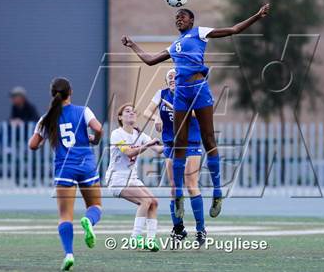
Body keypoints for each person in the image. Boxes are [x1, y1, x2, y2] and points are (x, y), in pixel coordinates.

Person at [121, 3, 270, 219]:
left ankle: (218, 192)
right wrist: (133, 45)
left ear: (191, 20)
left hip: (199, 89)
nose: (178, 19)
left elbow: (234, 29)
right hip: (181, 93)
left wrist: (257, 15)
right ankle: (179, 196)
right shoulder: (175, 45)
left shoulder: (200, 33)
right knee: (179, 142)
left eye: (182, 16)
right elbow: (150, 60)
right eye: (176, 17)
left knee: (209, 139)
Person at [28, 77, 103, 271]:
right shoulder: (83, 110)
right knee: (95, 206)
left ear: (53, 94)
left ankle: (69, 254)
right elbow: (98, 128)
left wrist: (44, 139)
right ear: (70, 92)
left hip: (64, 168)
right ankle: (89, 221)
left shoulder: (47, 118)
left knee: (65, 216)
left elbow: (32, 145)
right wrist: (94, 140)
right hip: (85, 164)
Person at [144, 68, 206, 245]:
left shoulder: (190, 93)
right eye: (169, 77)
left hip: (190, 143)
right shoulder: (162, 94)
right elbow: (147, 111)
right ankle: (178, 228)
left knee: (191, 184)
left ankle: (201, 230)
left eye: (174, 76)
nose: (172, 78)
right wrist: (157, 117)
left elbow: (198, 114)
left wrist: (179, 110)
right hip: (171, 144)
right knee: (174, 187)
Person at [105, 103, 163, 251]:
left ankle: (150, 240)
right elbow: (129, 152)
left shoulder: (139, 134)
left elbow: (159, 149)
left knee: (154, 202)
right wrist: (147, 144)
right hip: (117, 178)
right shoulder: (116, 133)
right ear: (120, 117)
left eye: (133, 111)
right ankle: (135, 237)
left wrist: (176, 141)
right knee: (145, 201)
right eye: (127, 111)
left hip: (132, 178)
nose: (131, 113)